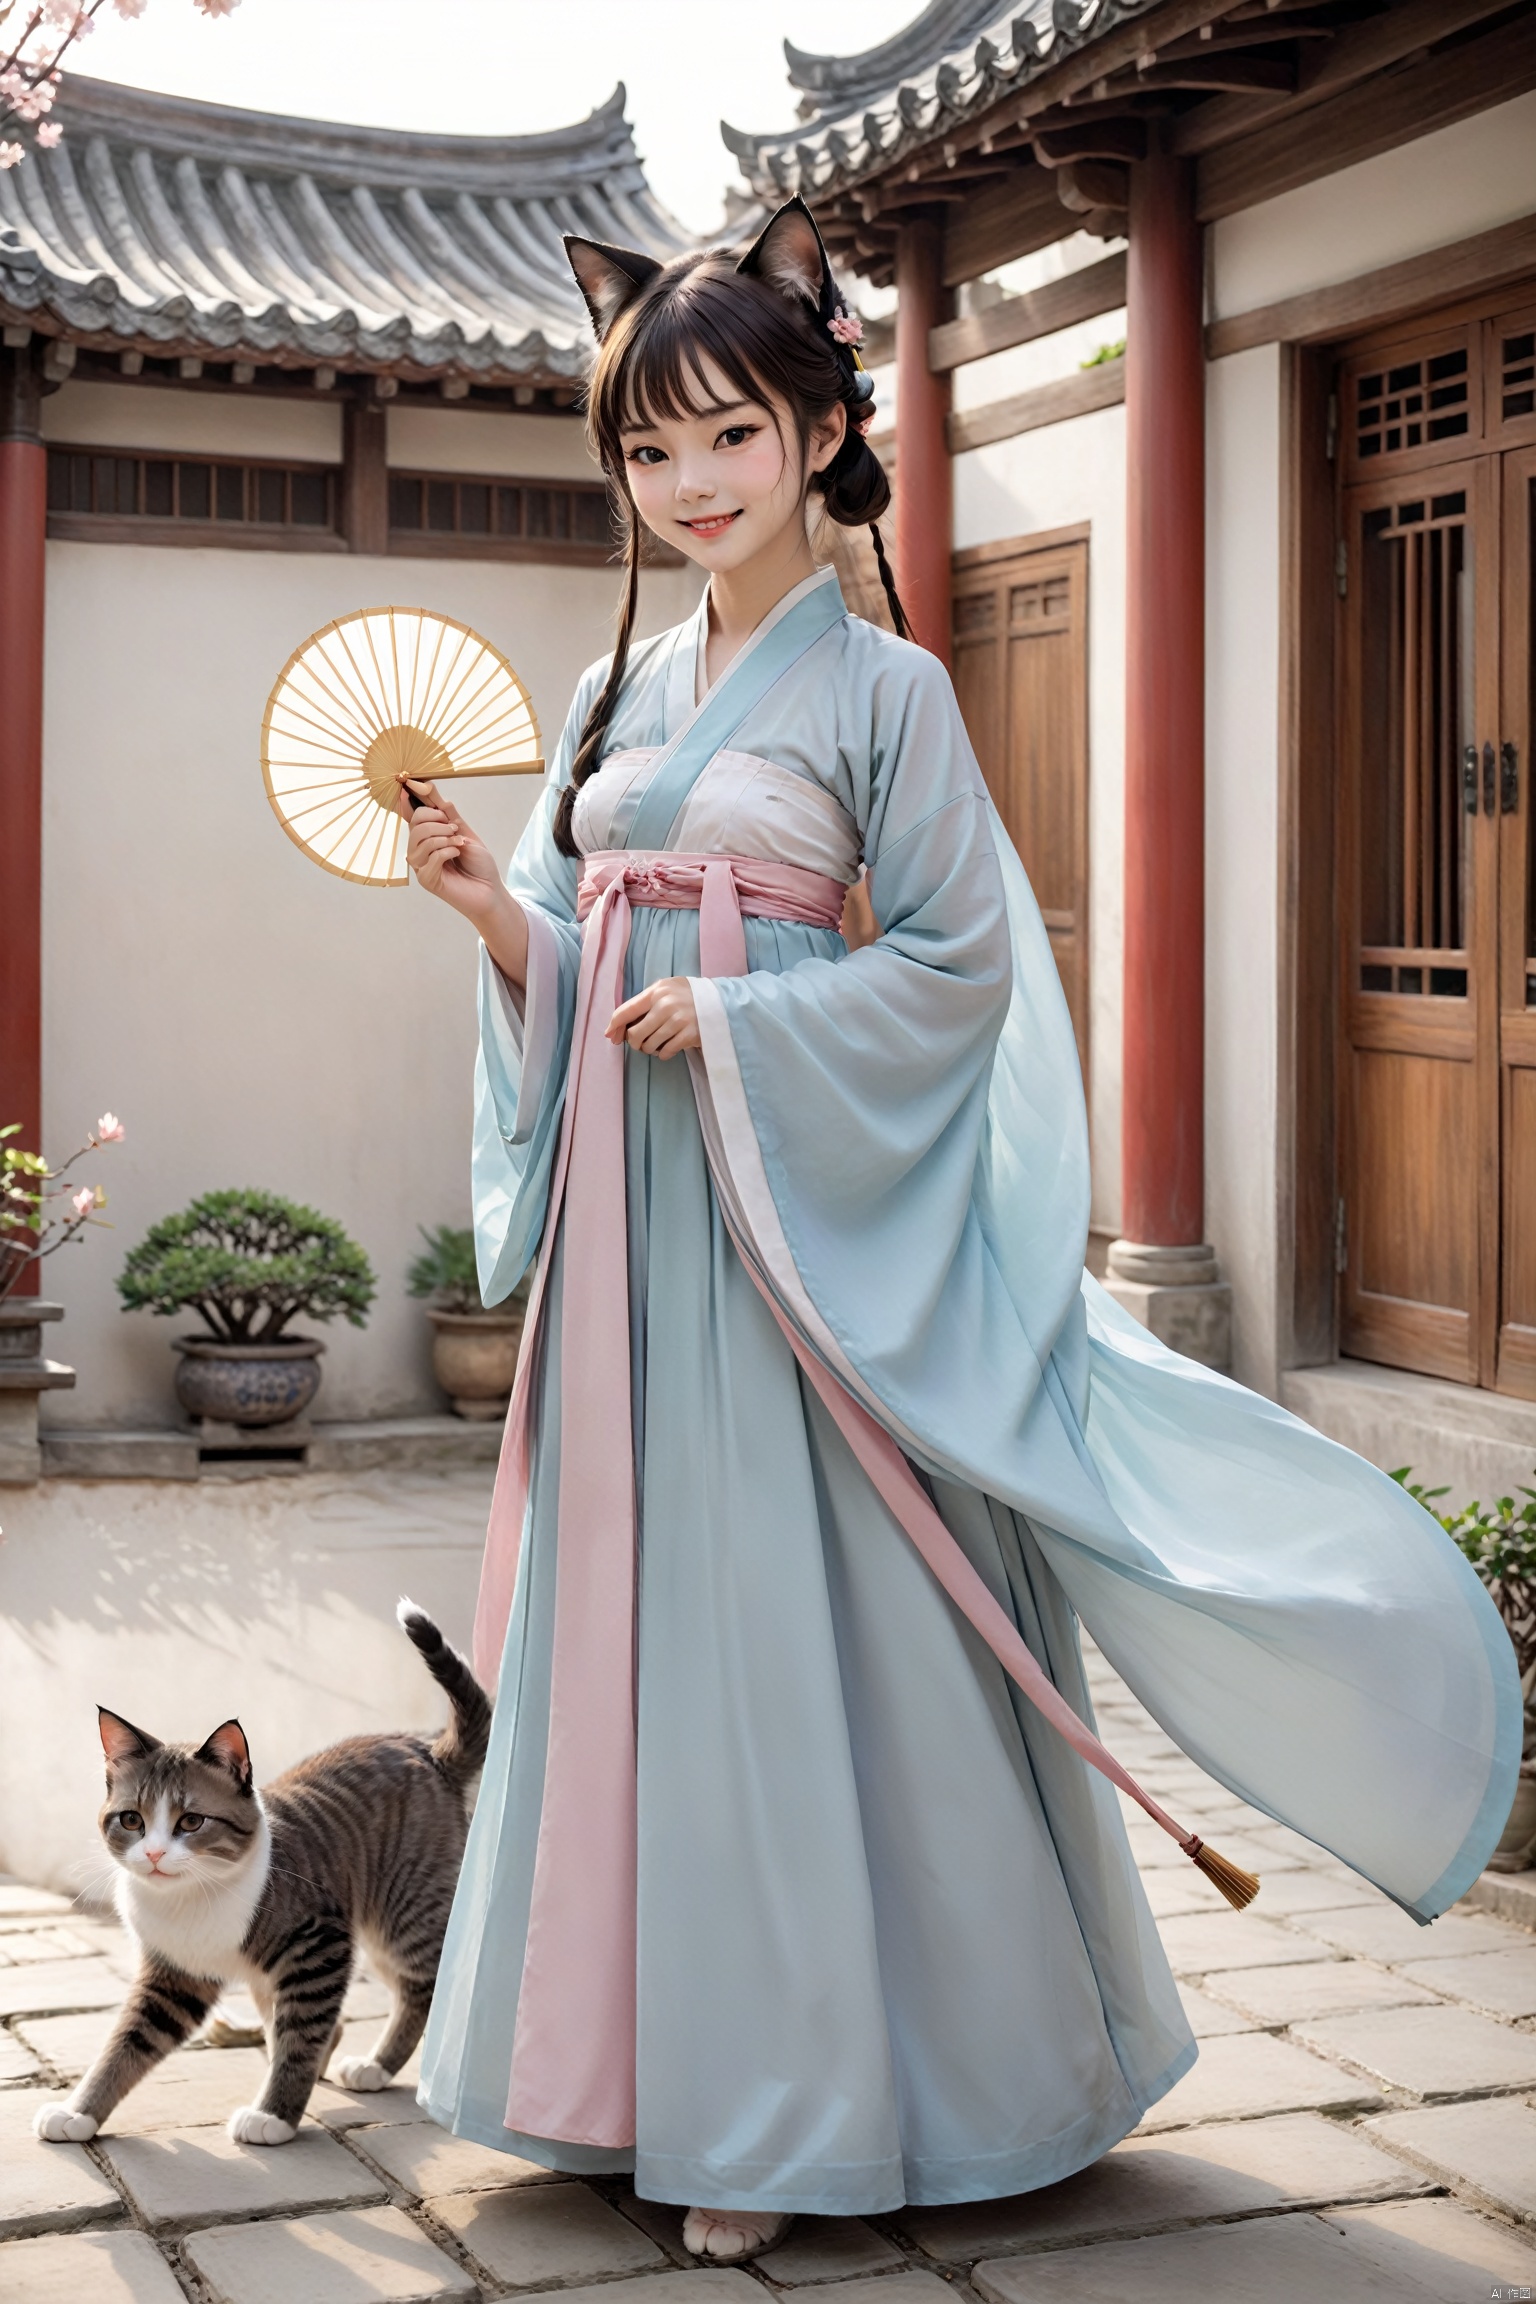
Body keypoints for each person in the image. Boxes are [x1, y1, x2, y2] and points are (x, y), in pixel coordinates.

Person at [403, 199, 1518, 2263]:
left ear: (824, 426)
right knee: (641, 1636)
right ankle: (623, 2078)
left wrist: (738, 1016)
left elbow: (956, 975)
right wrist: (497, 910)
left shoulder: (892, 693)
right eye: (649, 451)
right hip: (635, 1239)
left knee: (797, 1644)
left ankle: (802, 2106)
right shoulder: (607, 688)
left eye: (728, 433)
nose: (688, 484)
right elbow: (583, 954)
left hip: (795, 1242)